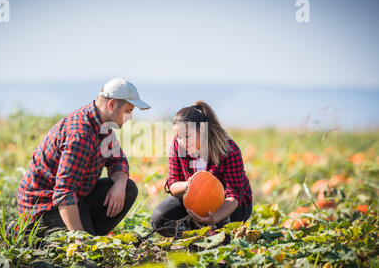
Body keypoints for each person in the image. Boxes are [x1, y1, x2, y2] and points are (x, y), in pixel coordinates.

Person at [16, 78, 150, 236]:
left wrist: (120, 183)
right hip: (45, 209)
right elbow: (64, 193)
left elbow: (117, 160)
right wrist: (79, 240)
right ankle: (31, 234)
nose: (130, 117)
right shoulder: (81, 135)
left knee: (128, 188)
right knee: (84, 256)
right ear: (111, 104)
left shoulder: (103, 126)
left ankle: (89, 235)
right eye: (128, 110)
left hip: (76, 199)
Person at [150, 101, 252, 238]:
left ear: (202, 130)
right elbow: (172, 184)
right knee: (159, 218)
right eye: (178, 137)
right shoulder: (178, 146)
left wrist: (213, 219)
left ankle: (216, 237)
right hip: (193, 200)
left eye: (187, 136)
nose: (181, 142)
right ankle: (192, 237)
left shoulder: (228, 150)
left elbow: (233, 196)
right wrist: (189, 184)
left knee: (219, 238)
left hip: (229, 205)